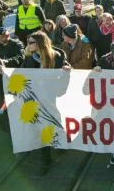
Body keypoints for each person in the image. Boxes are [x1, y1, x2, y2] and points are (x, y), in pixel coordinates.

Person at [21, 31, 70, 175]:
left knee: (54, 122)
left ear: (40, 44)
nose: (28, 45)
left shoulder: (57, 56)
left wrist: (67, 68)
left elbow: (65, 67)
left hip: (51, 97)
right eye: (28, 42)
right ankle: (46, 159)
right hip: (34, 98)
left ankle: (60, 144)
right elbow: (22, 72)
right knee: (40, 127)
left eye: (31, 42)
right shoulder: (29, 57)